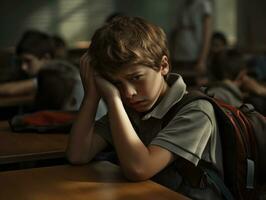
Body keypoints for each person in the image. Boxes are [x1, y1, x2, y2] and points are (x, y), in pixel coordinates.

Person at [67, 16, 223, 199]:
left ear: (163, 65)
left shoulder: (196, 111)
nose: (128, 93)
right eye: (115, 83)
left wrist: (113, 99)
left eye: (136, 78)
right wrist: (91, 97)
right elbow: (78, 155)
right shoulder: (131, 109)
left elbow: (139, 168)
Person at [170, 0, 212, 86]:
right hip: (178, 55)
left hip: (194, 56)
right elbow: (174, 32)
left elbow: (207, 34)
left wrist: (202, 59)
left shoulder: (203, 4)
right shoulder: (181, 4)